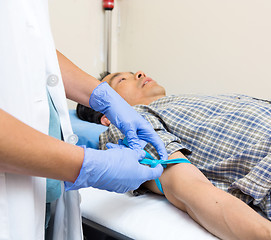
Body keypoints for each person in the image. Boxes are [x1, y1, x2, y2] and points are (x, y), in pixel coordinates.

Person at [77, 71, 271, 240]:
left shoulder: (188, 102)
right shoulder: (128, 124)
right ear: (106, 115)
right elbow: (189, 191)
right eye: (122, 78)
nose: (139, 73)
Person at [0, 2, 168, 240]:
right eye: (121, 80)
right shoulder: (155, 125)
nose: (139, 74)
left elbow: (31, 47)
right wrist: (88, 165)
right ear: (106, 121)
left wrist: (107, 98)